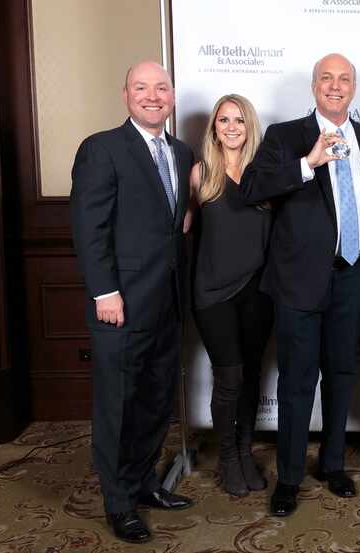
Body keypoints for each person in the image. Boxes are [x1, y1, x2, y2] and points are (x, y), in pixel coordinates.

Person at [239, 53, 360, 517]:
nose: (335, 86)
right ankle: (291, 478)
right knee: (298, 382)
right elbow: (253, 187)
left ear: (354, 88)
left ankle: (333, 463)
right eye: (326, 78)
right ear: (314, 86)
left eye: (344, 79)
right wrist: (308, 162)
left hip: (352, 276)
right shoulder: (286, 136)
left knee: (342, 376)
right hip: (299, 282)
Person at [69, 61, 194, 544]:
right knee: (118, 406)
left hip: (167, 302)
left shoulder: (181, 153)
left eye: (161, 88)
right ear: (126, 94)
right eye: (142, 88)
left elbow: (173, 223)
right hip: (120, 303)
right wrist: (105, 292)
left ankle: (143, 483)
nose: (153, 95)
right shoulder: (102, 149)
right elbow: (89, 227)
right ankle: (117, 503)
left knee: (155, 400)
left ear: (173, 97)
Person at [187, 94, 274, 497]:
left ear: (249, 125)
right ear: (214, 128)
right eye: (224, 120)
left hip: (257, 292)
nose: (232, 127)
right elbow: (182, 235)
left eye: (239, 120)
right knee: (230, 377)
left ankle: (243, 452)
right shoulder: (199, 174)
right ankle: (225, 457)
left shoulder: (263, 175)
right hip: (213, 293)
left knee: (252, 373)